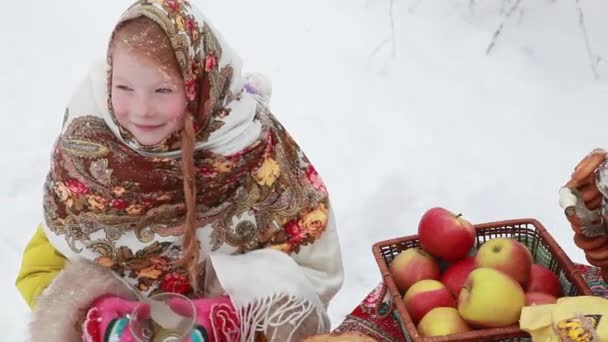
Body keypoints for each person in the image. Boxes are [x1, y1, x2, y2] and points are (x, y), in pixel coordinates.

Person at [15, 1, 344, 340]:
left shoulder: (250, 148)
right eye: (125, 88)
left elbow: (311, 261)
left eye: (163, 90)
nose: (142, 110)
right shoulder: (91, 150)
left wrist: (233, 314)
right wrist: (97, 315)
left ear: (197, 84)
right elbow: (41, 267)